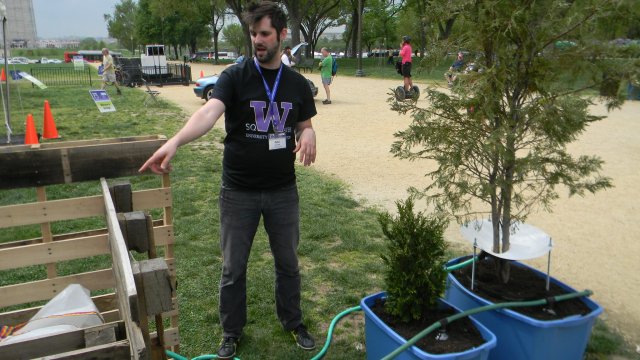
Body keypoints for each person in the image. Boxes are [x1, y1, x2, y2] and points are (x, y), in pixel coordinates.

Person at [138, 2, 317, 359]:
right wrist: (175, 141)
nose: (257, 41)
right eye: (253, 34)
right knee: (234, 268)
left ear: (282, 35)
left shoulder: (297, 84)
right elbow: (208, 112)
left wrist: (309, 132)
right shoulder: (235, 77)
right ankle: (231, 332)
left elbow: (304, 122)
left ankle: (293, 322)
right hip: (239, 192)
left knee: (288, 264)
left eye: (264, 34)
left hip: (283, 190)